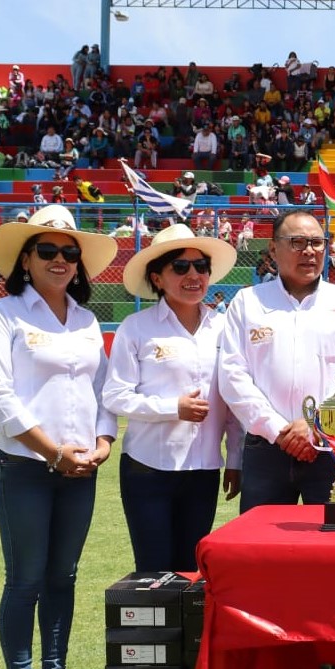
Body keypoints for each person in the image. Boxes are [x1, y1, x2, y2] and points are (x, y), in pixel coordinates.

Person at [0, 205, 119, 669]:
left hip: (81, 466)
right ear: (26, 259)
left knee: (64, 573)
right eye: (49, 251)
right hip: (24, 467)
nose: (61, 260)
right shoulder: (3, 315)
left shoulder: (85, 320)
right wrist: (50, 451)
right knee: (26, 577)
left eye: (70, 252)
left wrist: (103, 441)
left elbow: (103, 390)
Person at [102, 224, 243, 572]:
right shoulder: (136, 327)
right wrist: (172, 408)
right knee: (152, 571)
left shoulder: (226, 328)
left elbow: (234, 402)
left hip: (204, 469)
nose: (193, 275)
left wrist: (236, 459)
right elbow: (115, 396)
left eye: (201, 267)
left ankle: (188, 631)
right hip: (147, 468)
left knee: (192, 570)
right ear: (158, 277)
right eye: (180, 267)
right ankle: (156, 631)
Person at [218, 208, 335, 512]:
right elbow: (232, 375)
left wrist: (316, 427)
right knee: (262, 549)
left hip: (331, 448)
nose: (310, 252)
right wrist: (278, 430)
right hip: (265, 446)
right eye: (298, 242)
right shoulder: (247, 303)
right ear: (274, 249)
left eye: (318, 242)